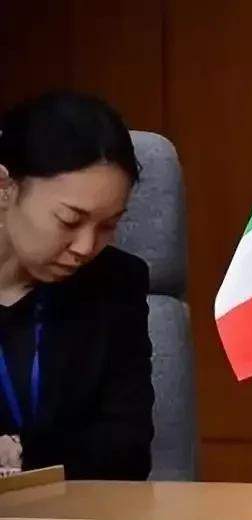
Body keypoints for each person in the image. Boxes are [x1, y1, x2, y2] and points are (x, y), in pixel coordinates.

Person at [0, 91, 153, 480]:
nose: (86, 247)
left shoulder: (115, 285)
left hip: (76, 511)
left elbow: (128, 451)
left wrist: (20, 453)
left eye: (108, 225)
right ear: (5, 188)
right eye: (70, 220)